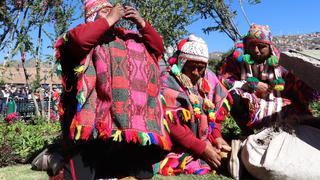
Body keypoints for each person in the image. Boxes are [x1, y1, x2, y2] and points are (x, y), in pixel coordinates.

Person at [52, 0, 171, 179]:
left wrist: (142, 23)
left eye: (112, 10)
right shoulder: (80, 37)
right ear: (92, 18)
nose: (114, 12)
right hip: (90, 131)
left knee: (142, 174)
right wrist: (111, 17)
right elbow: (79, 40)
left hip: (123, 128)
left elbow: (157, 47)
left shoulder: (128, 39)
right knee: (80, 175)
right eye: (105, 11)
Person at [219, 24, 320, 179]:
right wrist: (249, 85)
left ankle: (282, 138)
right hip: (251, 102)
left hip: (280, 103)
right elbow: (224, 80)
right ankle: (246, 135)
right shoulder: (237, 59)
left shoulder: (281, 62)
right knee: (233, 96)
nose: (257, 51)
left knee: (302, 119)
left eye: (261, 47)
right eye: (253, 46)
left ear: (269, 46)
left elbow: (296, 86)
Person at [154, 35, 232, 175]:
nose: (196, 73)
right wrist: (201, 148)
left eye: (201, 68)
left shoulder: (208, 78)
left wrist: (217, 136)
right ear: (182, 63)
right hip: (176, 143)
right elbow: (171, 123)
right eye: (191, 67)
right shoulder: (168, 80)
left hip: (204, 140)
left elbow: (216, 113)